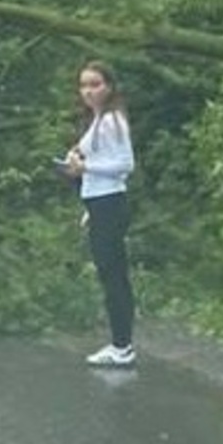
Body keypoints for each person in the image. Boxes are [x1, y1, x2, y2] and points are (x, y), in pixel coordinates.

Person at [62, 60, 136, 368]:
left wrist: (85, 166)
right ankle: (120, 342)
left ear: (109, 86)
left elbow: (124, 165)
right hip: (99, 203)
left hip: (110, 202)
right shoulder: (96, 121)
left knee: (113, 276)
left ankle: (122, 346)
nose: (89, 91)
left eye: (96, 85)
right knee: (109, 274)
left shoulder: (111, 121)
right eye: (84, 86)